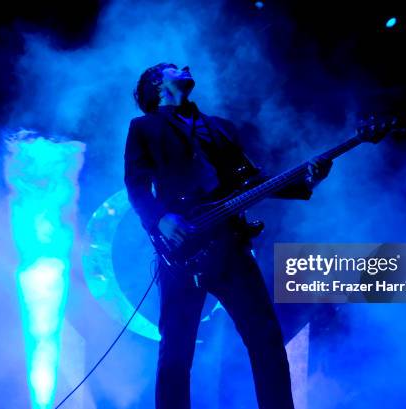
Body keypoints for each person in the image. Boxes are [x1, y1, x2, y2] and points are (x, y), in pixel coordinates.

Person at [124, 62, 332, 409]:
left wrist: (307, 181)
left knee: (265, 339)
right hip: (181, 253)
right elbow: (136, 184)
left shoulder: (220, 128)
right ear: (158, 83)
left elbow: (252, 180)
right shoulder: (144, 127)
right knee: (176, 351)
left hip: (231, 247)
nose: (186, 67)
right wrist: (161, 220)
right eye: (175, 67)